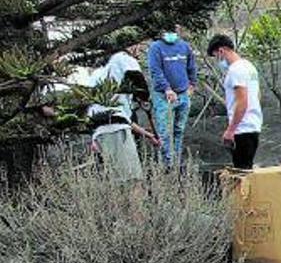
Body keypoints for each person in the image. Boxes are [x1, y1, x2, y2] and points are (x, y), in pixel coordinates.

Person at [86, 66, 156, 180]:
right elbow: (119, 119)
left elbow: (125, 119)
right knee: (134, 179)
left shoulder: (96, 87)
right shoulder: (115, 85)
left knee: (117, 180)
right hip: (116, 133)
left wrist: (148, 135)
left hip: (105, 134)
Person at [207, 35, 262, 170]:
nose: (218, 61)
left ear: (221, 51)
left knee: (241, 172)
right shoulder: (249, 66)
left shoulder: (235, 70)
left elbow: (242, 101)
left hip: (242, 129)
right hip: (254, 124)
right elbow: (258, 95)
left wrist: (231, 130)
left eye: (216, 56)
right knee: (247, 167)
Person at [146, 26, 197, 166]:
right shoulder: (156, 48)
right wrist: (167, 89)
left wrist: (192, 84)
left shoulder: (184, 47)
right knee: (165, 132)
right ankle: (167, 164)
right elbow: (155, 71)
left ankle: (177, 161)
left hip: (183, 94)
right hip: (164, 96)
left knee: (179, 130)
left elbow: (191, 67)